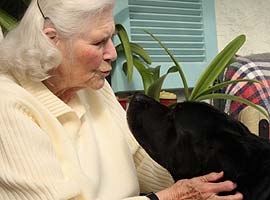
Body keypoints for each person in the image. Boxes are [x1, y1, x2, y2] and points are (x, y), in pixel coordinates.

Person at [0, 0, 243, 199]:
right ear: (51, 40)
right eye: (98, 42)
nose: (113, 53)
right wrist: (169, 197)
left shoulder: (94, 87)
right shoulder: (9, 104)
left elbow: (137, 159)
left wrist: (212, 180)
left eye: (111, 38)